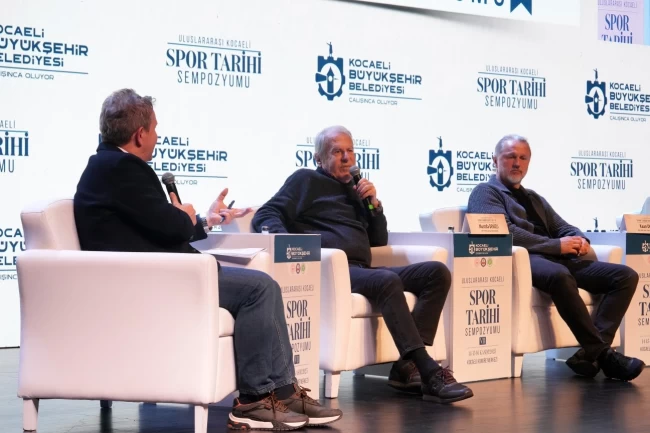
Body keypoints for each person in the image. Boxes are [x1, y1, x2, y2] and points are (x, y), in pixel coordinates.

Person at [73, 89, 342, 430]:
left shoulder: (106, 166)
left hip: (160, 274)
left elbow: (155, 227)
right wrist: (183, 215)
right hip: (157, 281)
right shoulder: (123, 168)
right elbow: (171, 226)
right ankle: (254, 400)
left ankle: (285, 392)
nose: (157, 136)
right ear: (140, 134)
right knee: (259, 289)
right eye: (155, 128)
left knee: (265, 285)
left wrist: (201, 220)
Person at [252, 125, 473, 403]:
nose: (346, 158)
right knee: (386, 280)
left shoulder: (356, 190)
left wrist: (374, 206)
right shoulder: (305, 179)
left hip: (361, 270)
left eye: (350, 151)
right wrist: (293, 246)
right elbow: (267, 213)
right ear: (319, 158)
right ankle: (428, 370)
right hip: (331, 271)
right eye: (337, 152)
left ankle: (407, 366)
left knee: (436, 273)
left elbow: (378, 241)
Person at [467, 134, 644, 381]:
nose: (517, 163)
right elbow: (504, 232)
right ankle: (605, 356)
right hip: (526, 260)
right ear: (495, 160)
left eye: (523, 158)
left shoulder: (534, 198)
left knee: (624, 276)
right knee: (560, 276)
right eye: (510, 157)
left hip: (556, 258)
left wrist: (580, 239)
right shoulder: (485, 192)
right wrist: (556, 246)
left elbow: (562, 226)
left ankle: (589, 354)